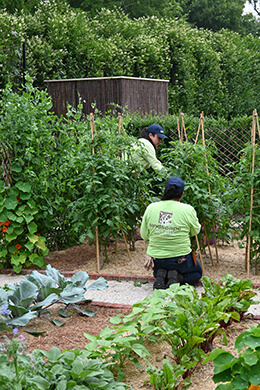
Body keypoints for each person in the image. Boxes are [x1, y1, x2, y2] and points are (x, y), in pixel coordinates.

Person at [140, 176, 202, 289]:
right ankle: (177, 277)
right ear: (182, 194)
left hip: (158, 259)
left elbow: (144, 235)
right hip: (180, 259)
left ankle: (161, 274)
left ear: (165, 190)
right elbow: (195, 231)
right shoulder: (188, 209)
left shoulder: (151, 208)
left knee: (161, 268)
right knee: (197, 273)